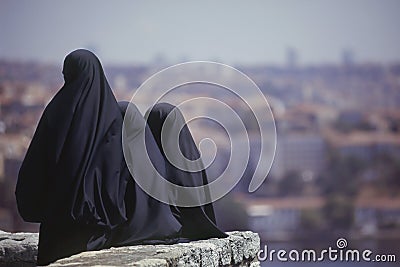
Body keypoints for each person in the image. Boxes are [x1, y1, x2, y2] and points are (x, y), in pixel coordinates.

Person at [15, 49, 225, 265]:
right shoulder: (110, 125)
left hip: (55, 240)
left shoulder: (54, 116)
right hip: (96, 236)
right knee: (138, 113)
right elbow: (116, 192)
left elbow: (29, 196)